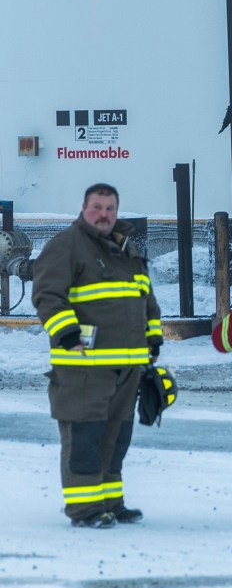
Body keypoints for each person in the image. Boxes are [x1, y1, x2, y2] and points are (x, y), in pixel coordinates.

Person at [32, 183, 163, 528]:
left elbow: (145, 298)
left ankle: (110, 503)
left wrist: (153, 339)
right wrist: (67, 333)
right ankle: (85, 510)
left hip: (127, 367)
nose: (104, 214)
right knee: (85, 438)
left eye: (110, 208)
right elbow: (48, 295)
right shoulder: (66, 246)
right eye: (97, 207)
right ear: (83, 208)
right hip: (84, 367)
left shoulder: (125, 248)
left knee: (116, 438)